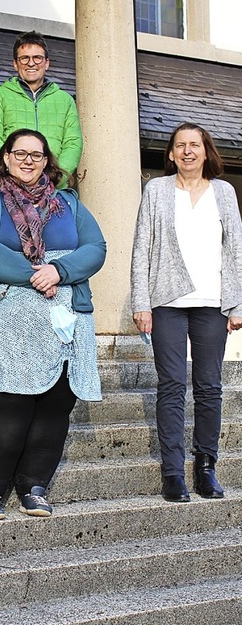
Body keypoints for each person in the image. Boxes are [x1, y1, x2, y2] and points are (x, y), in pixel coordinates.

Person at [0, 129, 106, 519]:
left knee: (54, 405)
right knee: (2, 405)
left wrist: (59, 270)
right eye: (19, 153)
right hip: (7, 324)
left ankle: (34, 485)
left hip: (62, 323)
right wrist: (33, 274)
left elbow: (96, 247)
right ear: (5, 158)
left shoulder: (68, 203)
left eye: (36, 155)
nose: (27, 161)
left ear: (46, 162)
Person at [130, 123, 242, 503]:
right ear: (172, 154)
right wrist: (140, 302)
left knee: (209, 387)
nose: (188, 151)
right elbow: (142, 247)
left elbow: (236, 249)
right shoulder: (157, 191)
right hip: (167, 302)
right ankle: (173, 473)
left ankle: (206, 467)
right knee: (172, 385)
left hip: (212, 302)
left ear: (206, 151)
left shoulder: (223, 192)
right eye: (181, 145)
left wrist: (238, 303)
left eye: (195, 144)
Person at [0, 31, 83, 182]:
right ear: (15, 64)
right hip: (10, 186)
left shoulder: (65, 100)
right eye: (24, 58)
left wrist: (54, 179)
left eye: (37, 58)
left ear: (47, 63)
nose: (31, 63)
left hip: (52, 188)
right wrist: (13, 174)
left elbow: (73, 144)